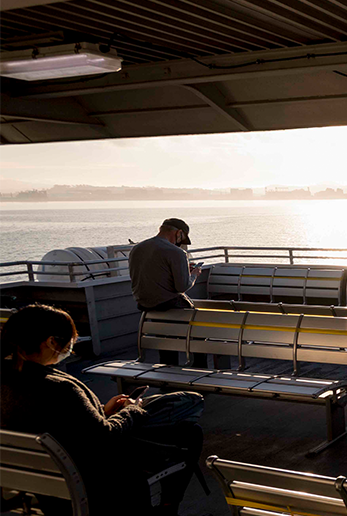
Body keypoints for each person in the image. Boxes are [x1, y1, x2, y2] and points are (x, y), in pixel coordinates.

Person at [0, 304, 205, 515]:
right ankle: (168, 507)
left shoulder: (9, 378)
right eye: (71, 340)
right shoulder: (58, 387)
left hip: (37, 476)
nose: (71, 346)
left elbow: (61, 419)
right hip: (90, 474)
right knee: (190, 432)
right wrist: (131, 410)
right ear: (51, 342)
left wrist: (100, 411)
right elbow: (105, 436)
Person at [129, 218, 204, 366]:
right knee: (199, 333)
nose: (181, 243)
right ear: (179, 233)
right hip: (170, 304)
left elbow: (152, 276)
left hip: (146, 306)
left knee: (165, 338)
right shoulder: (177, 253)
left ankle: (169, 369)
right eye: (182, 239)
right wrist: (194, 274)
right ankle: (200, 368)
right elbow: (182, 286)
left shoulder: (137, 249)